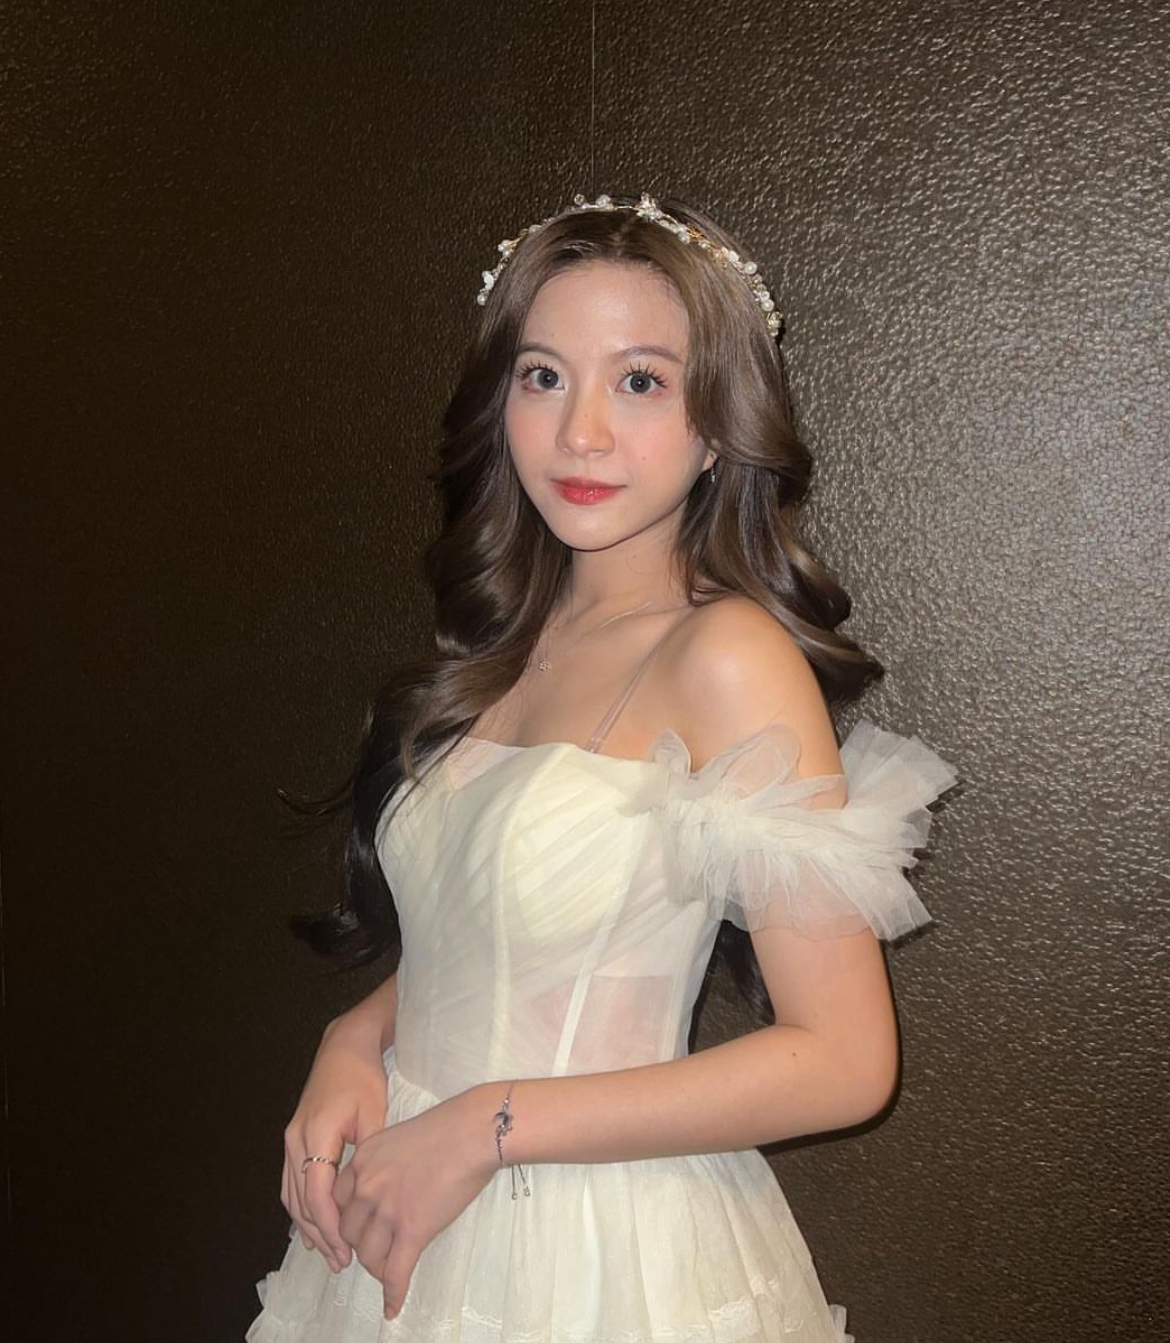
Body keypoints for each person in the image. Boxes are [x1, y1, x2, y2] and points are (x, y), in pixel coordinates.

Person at [245, 191, 960, 1343]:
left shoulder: (725, 656)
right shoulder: (507, 640)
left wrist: (487, 1123)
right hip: (407, 1200)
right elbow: (502, 936)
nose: (581, 432)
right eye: (543, 375)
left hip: (593, 1251)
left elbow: (843, 1058)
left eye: (639, 380)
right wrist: (357, 1035)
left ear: (718, 421)